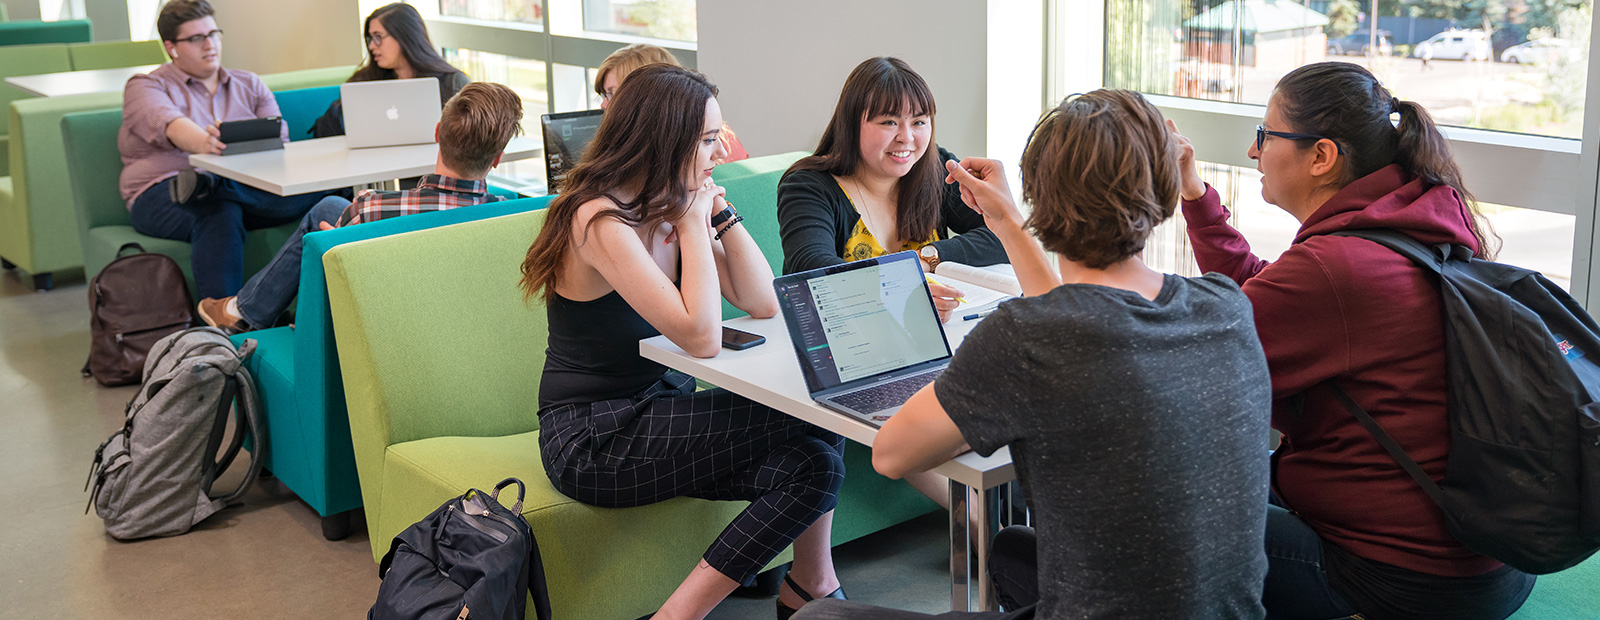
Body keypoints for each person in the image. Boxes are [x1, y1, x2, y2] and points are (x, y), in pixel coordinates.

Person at [796, 89, 1272, 620]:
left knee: (819, 617)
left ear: (1041, 206)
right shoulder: (1227, 305)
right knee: (1012, 546)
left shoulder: (1024, 338)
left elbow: (890, 455)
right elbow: (1077, 319)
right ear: (1164, 191)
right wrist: (1004, 222)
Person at [1169, 61, 1533, 620]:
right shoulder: (1414, 221)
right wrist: (1195, 193)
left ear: (1322, 157)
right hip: (1490, 555)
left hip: (1398, 579)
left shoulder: (1337, 269)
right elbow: (1270, 295)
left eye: (1266, 136)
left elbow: (1198, 366)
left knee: (1140, 500)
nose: (1252, 151)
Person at [519, 64, 845, 620]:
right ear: (663, 139)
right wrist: (694, 224)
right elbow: (700, 338)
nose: (718, 151)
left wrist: (719, 212)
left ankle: (806, 585)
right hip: (595, 437)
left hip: (662, 414)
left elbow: (763, 300)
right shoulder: (599, 219)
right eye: (706, 140)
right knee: (817, 416)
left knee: (817, 460)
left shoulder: (666, 204)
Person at [196, 82, 524, 332]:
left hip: (380, 330)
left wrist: (331, 247)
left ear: (437, 134)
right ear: (497, 159)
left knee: (328, 211)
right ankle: (243, 310)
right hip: (457, 325)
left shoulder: (368, 211)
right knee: (330, 208)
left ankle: (243, 313)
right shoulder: (510, 218)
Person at [120, 0, 335, 300]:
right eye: (196, 38)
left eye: (213, 34)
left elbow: (278, 137)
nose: (209, 45)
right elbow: (169, 123)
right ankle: (222, 329)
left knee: (332, 194)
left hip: (245, 186)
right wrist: (206, 143)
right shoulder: (145, 86)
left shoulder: (249, 83)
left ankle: (304, 311)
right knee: (218, 209)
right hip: (161, 192)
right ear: (172, 47)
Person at [776, 57, 1008, 317]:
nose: (906, 138)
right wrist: (900, 289)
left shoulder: (937, 167)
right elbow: (812, 269)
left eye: (919, 122)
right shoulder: (808, 186)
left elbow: (1004, 234)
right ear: (852, 125)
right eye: (889, 122)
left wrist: (926, 258)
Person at [309, 2, 472, 138]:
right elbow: (325, 132)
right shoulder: (364, 81)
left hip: (433, 172)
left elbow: (472, 140)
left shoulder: (453, 83)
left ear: (404, 37)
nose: (372, 45)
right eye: (370, 38)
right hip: (375, 170)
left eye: (378, 37)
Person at [594, 43, 748, 162]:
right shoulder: (723, 135)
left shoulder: (673, 149)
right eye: (605, 94)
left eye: (613, 94)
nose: (604, 105)